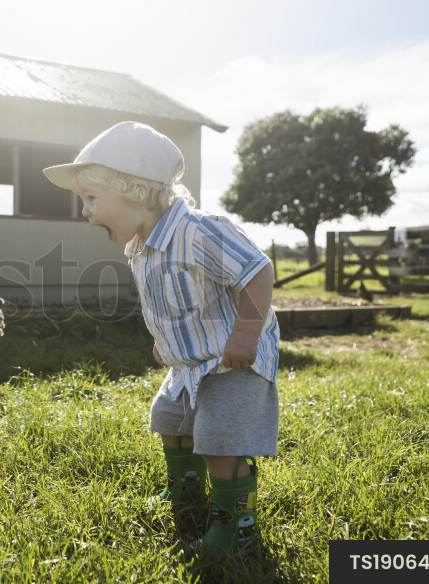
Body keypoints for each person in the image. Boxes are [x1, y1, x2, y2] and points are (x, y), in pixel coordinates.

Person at [43, 121, 279, 554]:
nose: (84, 211)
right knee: (169, 421)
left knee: (220, 441)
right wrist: (164, 343)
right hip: (188, 362)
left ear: (137, 190)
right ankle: (186, 493)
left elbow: (257, 271)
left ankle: (236, 529)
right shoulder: (139, 245)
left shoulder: (199, 230)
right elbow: (167, 301)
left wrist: (247, 332)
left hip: (233, 361)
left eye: (91, 198)